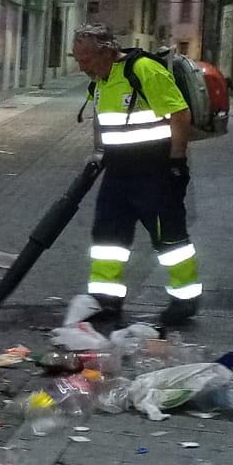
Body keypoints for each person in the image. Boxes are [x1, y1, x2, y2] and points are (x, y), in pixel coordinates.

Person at [68, 23, 200, 326]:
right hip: (118, 171)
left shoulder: (143, 70)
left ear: (106, 53)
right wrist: (99, 153)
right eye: (78, 59)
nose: (81, 67)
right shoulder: (100, 80)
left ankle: (185, 299)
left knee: (168, 237)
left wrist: (177, 163)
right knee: (107, 237)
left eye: (85, 59)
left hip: (154, 170)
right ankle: (105, 300)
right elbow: (101, 119)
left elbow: (180, 114)